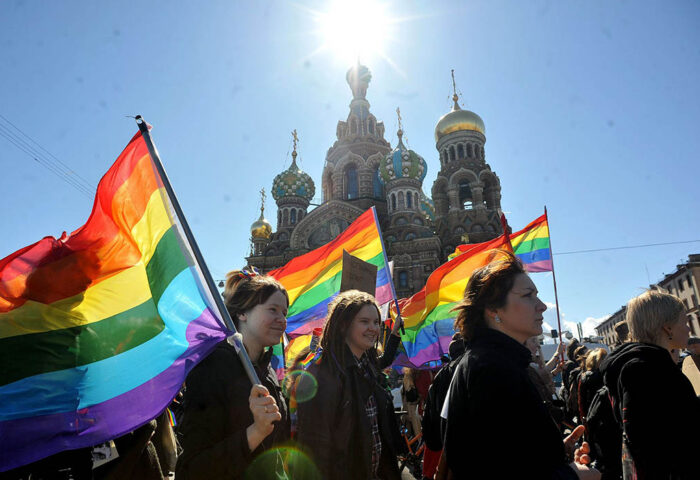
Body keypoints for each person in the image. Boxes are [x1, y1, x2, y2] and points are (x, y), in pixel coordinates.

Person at [442, 250, 599, 479]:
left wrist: (555, 452)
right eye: (528, 295)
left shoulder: (497, 361)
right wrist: (574, 476)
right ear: (494, 309)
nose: (542, 306)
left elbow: (510, 453)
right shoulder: (491, 369)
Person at [175, 270, 290, 479]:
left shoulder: (268, 370)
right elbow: (194, 468)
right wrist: (256, 432)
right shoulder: (212, 367)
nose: (282, 320)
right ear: (242, 313)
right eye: (273, 309)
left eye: (284, 313)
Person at [296, 290, 401, 480]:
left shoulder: (368, 367)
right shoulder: (322, 375)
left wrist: (394, 335)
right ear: (343, 325)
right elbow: (314, 449)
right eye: (364, 321)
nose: (373, 328)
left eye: (376, 322)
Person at [599, 290, 700, 479]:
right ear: (668, 328)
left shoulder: (645, 365)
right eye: (684, 322)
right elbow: (648, 442)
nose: (689, 329)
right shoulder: (646, 369)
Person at [577, 348, 607, 425]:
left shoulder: (585, 377)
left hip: (591, 415)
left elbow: (581, 400)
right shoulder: (608, 374)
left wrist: (583, 417)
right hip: (609, 416)